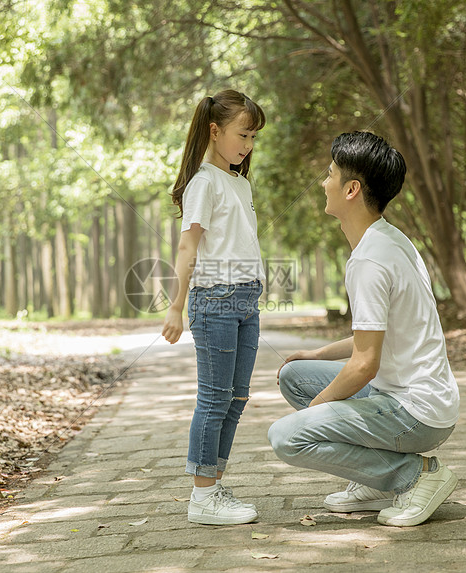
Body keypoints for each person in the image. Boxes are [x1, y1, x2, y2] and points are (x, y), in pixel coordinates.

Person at [267, 131, 460, 527]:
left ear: (351, 189)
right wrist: (317, 355)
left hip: (416, 413)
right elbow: (375, 337)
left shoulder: (370, 261)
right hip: (412, 396)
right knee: (294, 376)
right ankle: (374, 481)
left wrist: (317, 417)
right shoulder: (389, 239)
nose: (324, 182)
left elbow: (364, 365)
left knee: (286, 437)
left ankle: (416, 477)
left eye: (331, 173)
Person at [161, 89, 266, 525]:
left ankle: (214, 486)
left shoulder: (238, 181)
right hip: (215, 303)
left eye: (254, 137)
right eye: (243, 134)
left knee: (236, 399)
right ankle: (202, 495)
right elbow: (188, 245)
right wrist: (175, 306)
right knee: (214, 399)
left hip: (246, 302)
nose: (248, 145)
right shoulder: (204, 182)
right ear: (215, 130)